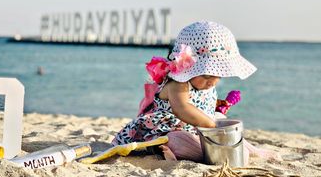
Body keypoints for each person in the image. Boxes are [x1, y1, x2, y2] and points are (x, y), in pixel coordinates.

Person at [113, 21, 277, 163]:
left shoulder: (205, 83)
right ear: (190, 68)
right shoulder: (178, 84)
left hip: (198, 128)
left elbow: (201, 103)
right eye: (206, 75)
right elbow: (182, 108)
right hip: (167, 129)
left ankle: (252, 151)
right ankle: (190, 153)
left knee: (229, 127)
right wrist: (211, 125)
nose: (212, 81)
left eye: (217, 75)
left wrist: (218, 107)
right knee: (179, 141)